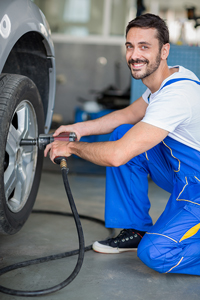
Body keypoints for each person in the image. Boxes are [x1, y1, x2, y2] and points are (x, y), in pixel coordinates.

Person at [44, 13, 200, 275]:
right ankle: (136, 229)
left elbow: (117, 156)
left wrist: (71, 148)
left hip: (196, 188)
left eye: (144, 47)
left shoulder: (178, 95)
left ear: (164, 50)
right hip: (184, 178)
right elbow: (127, 115)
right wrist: (77, 129)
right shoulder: (164, 82)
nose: (134, 55)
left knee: (157, 253)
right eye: (130, 46)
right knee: (122, 132)